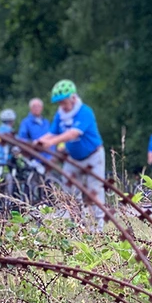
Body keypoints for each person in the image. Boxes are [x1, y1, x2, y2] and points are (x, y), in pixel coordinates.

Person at [38, 80, 105, 232]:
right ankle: (75, 227)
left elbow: (73, 133)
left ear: (73, 98)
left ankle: (97, 230)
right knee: (69, 192)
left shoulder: (85, 112)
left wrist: (52, 142)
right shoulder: (60, 115)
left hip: (93, 156)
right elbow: (52, 133)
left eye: (64, 102)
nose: (62, 105)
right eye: (59, 103)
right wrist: (39, 141)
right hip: (72, 158)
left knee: (94, 191)